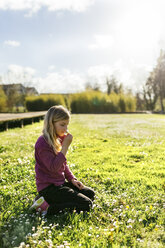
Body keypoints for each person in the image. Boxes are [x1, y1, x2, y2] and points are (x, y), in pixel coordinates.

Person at [31, 105, 95, 215]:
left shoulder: (58, 139)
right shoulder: (42, 143)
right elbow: (53, 168)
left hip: (60, 184)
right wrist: (65, 147)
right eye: (62, 125)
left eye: (67, 125)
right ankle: (48, 208)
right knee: (87, 204)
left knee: (90, 193)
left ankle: (45, 201)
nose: (66, 129)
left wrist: (72, 179)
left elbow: (63, 164)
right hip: (49, 189)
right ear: (51, 124)